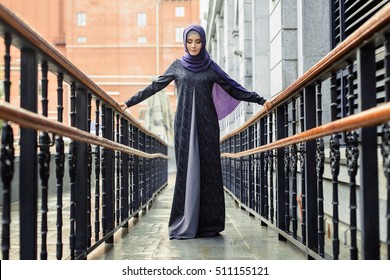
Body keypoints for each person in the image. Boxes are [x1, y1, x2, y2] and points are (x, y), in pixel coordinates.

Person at [120, 24, 270, 240]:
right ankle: (184, 221)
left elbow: (233, 87)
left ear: (203, 42)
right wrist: (128, 102)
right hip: (183, 126)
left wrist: (261, 100)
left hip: (207, 126)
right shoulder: (177, 66)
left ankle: (209, 225)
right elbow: (154, 87)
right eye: (189, 41)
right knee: (186, 172)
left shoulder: (211, 67)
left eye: (197, 41)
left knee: (209, 172)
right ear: (185, 42)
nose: (193, 45)